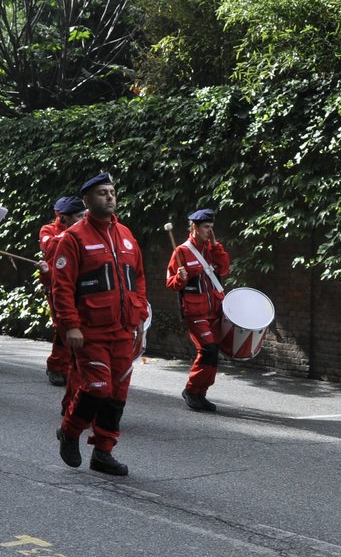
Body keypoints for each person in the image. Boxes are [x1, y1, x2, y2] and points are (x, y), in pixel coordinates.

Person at [52, 171, 148, 477]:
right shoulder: (73, 238)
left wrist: (140, 316)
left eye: (112, 191)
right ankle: (70, 430)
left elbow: (139, 279)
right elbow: (61, 287)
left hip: (123, 329)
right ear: (87, 200)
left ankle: (103, 452)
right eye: (102, 192)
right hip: (90, 330)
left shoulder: (128, 236)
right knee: (98, 389)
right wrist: (71, 326)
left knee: (117, 395)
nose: (109, 196)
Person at [166, 207, 232, 412]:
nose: (209, 231)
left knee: (213, 353)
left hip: (214, 311)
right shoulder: (181, 251)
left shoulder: (212, 249)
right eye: (205, 227)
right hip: (195, 313)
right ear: (194, 227)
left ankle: (200, 393)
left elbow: (224, 269)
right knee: (208, 349)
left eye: (211, 227)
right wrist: (180, 278)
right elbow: (170, 283)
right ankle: (192, 390)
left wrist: (215, 245)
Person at [38, 195, 84, 386]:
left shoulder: (80, 230)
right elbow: (49, 245)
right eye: (79, 216)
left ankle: (71, 367)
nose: (83, 220)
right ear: (63, 217)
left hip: (78, 285)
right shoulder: (48, 230)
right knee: (63, 328)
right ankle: (56, 366)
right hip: (55, 284)